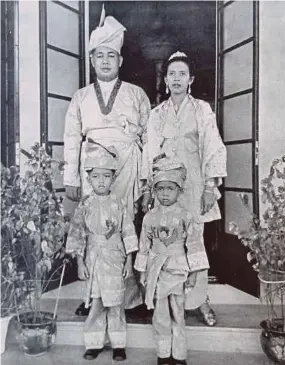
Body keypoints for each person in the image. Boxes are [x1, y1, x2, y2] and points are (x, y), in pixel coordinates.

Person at [64, 7, 150, 312]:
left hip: (126, 166)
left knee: (125, 227)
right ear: (91, 60)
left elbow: (148, 138)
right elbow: (73, 138)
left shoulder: (137, 94)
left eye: (110, 56)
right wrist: (71, 179)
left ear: (120, 60)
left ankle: (129, 299)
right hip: (92, 167)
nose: (104, 61)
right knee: (94, 228)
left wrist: (146, 177)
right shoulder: (80, 97)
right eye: (99, 55)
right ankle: (92, 297)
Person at [141, 51, 227, 326]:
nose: (176, 79)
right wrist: (147, 188)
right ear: (165, 80)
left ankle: (200, 301)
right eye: (172, 74)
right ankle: (166, 298)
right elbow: (149, 153)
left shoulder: (202, 109)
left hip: (193, 186)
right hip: (166, 186)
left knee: (194, 241)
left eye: (182, 74)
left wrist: (209, 186)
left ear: (190, 79)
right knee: (166, 239)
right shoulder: (157, 114)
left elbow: (213, 146)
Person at [66, 141, 138, 361]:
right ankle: (94, 343)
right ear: (89, 179)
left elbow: (128, 233)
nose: (101, 181)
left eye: (106, 176)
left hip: (115, 259)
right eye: (96, 176)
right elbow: (77, 234)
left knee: (116, 304)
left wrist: (128, 262)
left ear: (113, 179)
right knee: (97, 303)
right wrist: (80, 263)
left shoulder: (119, 204)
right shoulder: (85, 205)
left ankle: (118, 344)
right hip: (94, 260)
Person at [135, 159, 210, 365]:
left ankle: (179, 355)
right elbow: (144, 245)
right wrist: (142, 272)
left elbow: (194, 245)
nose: (165, 194)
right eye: (160, 189)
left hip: (178, 271)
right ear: (155, 191)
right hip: (157, 272)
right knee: (160, 315)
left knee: (178, 313)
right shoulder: (150, 217)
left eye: (170, 188)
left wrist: (194, 273)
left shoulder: (186, 216)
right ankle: (163, 354)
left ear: (180, 190)